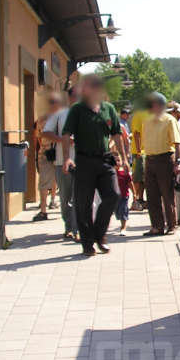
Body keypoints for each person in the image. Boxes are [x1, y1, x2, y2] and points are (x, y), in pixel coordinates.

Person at [61, 74, 127, 256]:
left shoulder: (108, 109)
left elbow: (116, 134)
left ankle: (99, 235)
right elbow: (66, 134)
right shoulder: (77, 110)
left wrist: (124, 157)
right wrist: (67, 157)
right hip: (84, 161)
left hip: (105, 160)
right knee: (83, 204)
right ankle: (88, 244)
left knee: (113, 195)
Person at [42, 84, 80, 239]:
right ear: (70, 98)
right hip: (61, 162)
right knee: (65, 197)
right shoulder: (60, 114)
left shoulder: (87, 113)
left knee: (79, 197)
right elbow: (46, 132)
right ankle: (69, 226)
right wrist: (62, 140)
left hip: (83, 161)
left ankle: (78, 229)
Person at [142, 92, 180, 236]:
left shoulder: (170, 120)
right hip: (150, 159)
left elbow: (177, 143)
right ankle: (157, 226)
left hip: (165, 159)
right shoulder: (146, 121)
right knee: (152, 195)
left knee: (167, 194)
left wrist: (177, 162)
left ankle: (171, 225)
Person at [33, 93, 62, 221]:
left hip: (46, 152)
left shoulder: (41, 119)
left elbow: (38, 137)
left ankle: (43, 210)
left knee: (44, 182)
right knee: (59, 179)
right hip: (59, 152)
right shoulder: (61, 118)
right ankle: (54, 204)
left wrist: (44, 147)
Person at [130, 102, 151, 210]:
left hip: (147, 151)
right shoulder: (139, 115)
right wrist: (138, 151)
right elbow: (136, 134)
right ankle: (136, 200)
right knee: (138, 177)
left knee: (144, 178)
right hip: (139, 152)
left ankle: (142, 199)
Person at [113, 151, 131, 236]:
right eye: (114, 161)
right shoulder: (110, 174)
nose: (116, 163)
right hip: (114, 197)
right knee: (117, 212)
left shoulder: (124, 173)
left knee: (123, 211)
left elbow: (130, 183)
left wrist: (134, 194)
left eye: (118, 160)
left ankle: (123, 227)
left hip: (124, 196)